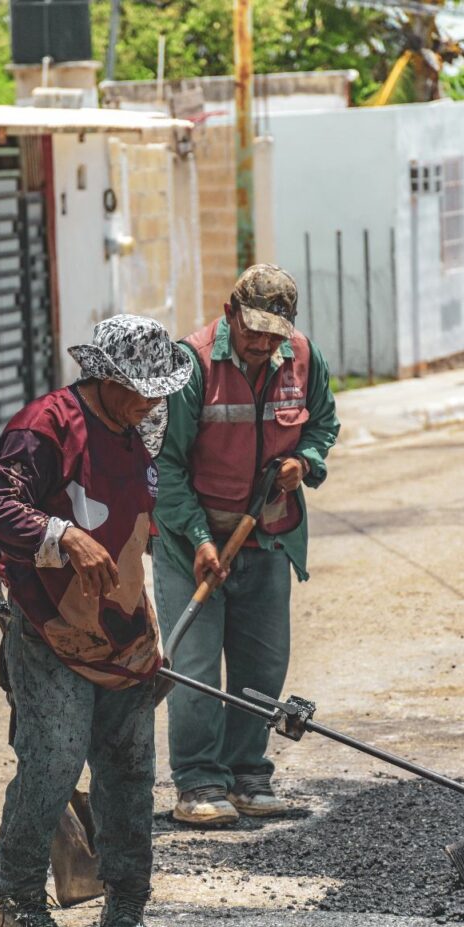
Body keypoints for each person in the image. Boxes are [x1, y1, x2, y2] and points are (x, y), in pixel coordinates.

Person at [0, 314, 192, 927]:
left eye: (158, 390)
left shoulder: (137, 433)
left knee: (129, 771)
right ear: (107, 377)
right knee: (54, 760)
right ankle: (19, 910)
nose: (153, 402)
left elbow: (137, 528)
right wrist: (63, 535)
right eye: (142, 388)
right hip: (53, 629)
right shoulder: (46, 426)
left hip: (123, 632)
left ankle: (125, 908)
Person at [152, 264, 340, 826]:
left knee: (263, 666)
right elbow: (165, 467)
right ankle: (198, 782)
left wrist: (304, 461)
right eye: (252, 330)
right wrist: (201, 540)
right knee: (196, 667)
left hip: (267, 537)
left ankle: (247, 775)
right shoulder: (193, 364)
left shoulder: (303, 358)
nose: (261, 344)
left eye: (272, 334)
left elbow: (323, 423)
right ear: (230, 312)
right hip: (193, 542)